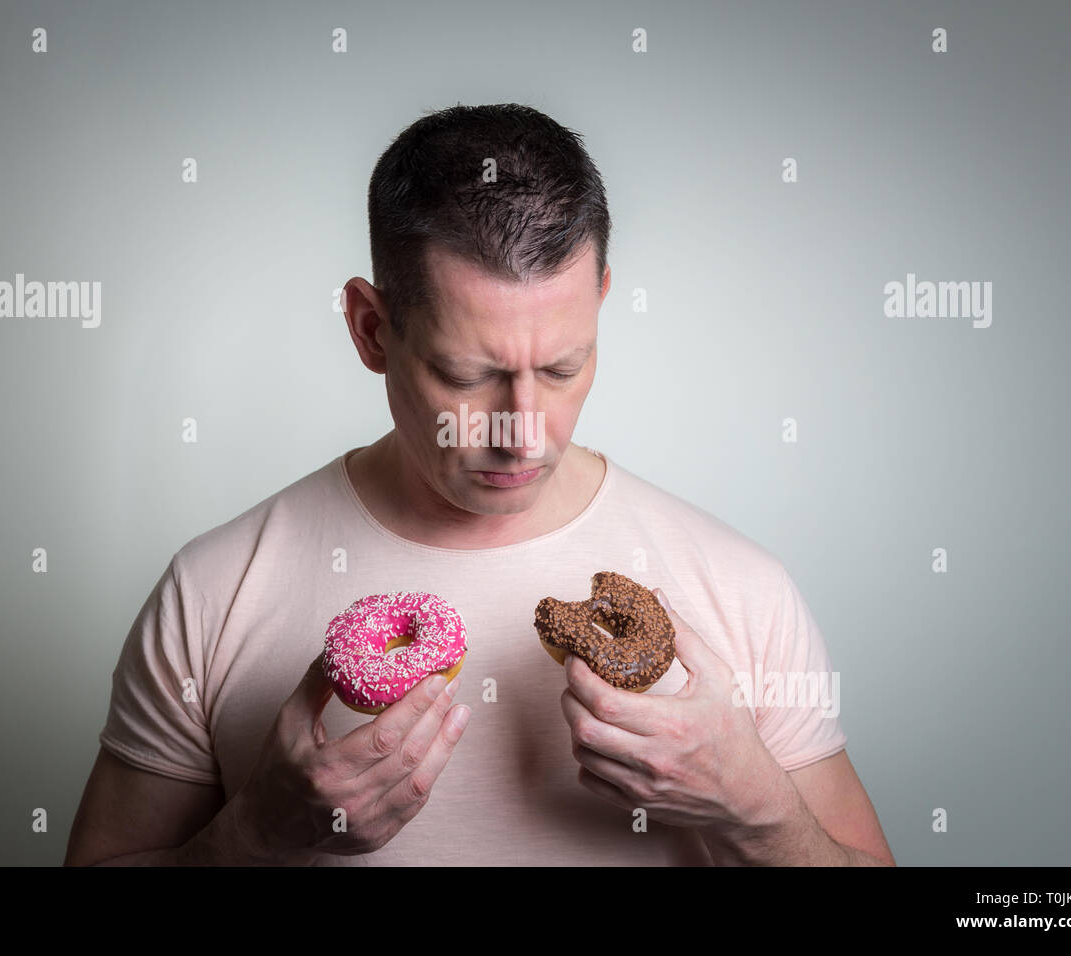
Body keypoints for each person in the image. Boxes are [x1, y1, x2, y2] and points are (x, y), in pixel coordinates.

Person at [64, 103, 894, 866]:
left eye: (564, 367)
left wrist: (756, 809)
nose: (524, 433)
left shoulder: (742, 592)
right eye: (468, 375)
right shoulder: (214, 590)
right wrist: (250, 838)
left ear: (601, 300)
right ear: (372, 328)